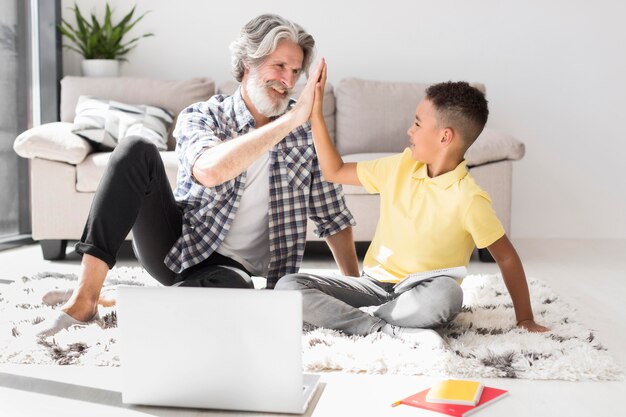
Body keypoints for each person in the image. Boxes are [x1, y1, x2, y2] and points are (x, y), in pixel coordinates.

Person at [34, 15, 358, 337]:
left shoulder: (304, 139)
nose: (288, 81)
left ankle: (125, 300)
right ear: (249, 63)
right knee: (135, 149)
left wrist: (356, 291)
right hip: (179, 245)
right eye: (279, 66)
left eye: (296, 71)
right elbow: (210, 171)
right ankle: (84, 299)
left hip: (231, 273)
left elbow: (333, 218)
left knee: (236, 289)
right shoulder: (204, 116)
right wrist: (288, 122)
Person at [276, 61, 549, 348]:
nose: (410, 131)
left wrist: (525, 319)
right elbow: (335, 171)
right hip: (372, 286)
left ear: (445, 137)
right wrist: (315, 116)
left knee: (448, 295)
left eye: (418, 123)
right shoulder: (401, 166)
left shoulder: (469, 198)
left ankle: (358, 320)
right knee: (289, 287)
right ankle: (381, 329)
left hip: (422, 294)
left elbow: (506, 257)